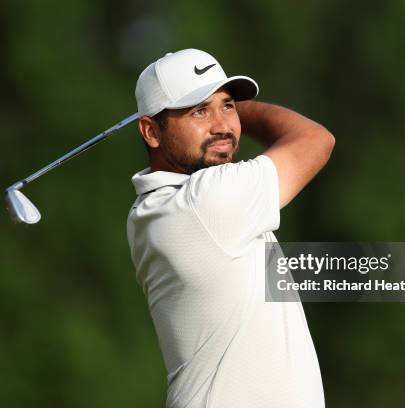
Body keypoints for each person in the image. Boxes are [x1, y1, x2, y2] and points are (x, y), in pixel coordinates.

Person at [127, 49, 334, 408]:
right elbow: (316, 140)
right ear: (150, 131)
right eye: (198, 111)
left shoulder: (151, 210)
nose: (221, 125)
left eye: (227, 105)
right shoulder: (206, 202)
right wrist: (241, 111)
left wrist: (218, 109)